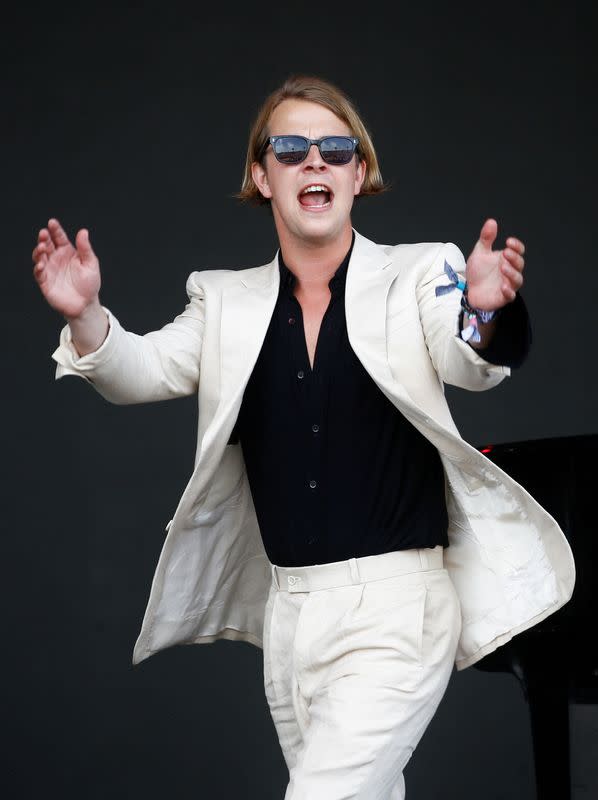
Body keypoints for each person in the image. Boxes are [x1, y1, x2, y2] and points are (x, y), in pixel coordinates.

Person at [33, 75, 575, 800]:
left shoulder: (420, 273)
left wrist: (480, 312)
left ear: (359, 171)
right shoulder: (222, 300)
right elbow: (140, 370)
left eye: (335, 148)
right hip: (288, 616)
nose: (313, 160)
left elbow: (469, 363)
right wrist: (87, 317)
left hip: (398, 607)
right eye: (290, 148)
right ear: (262, 175)